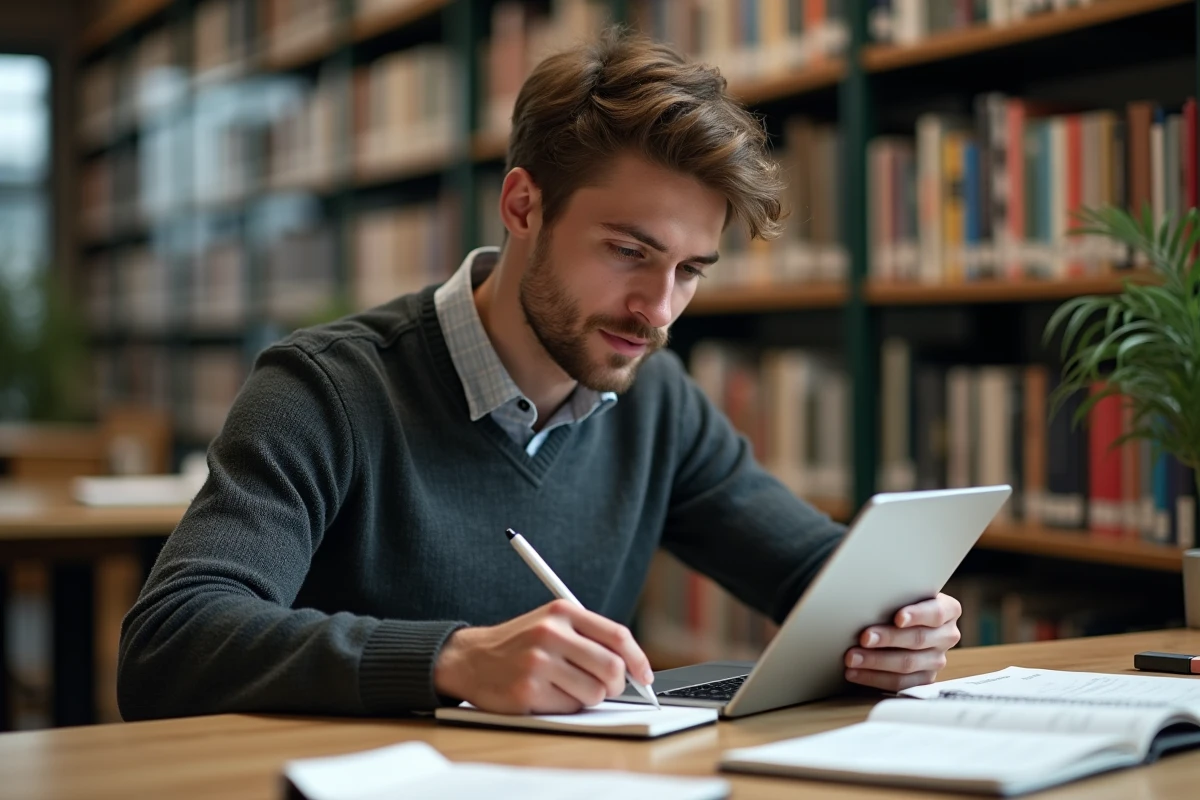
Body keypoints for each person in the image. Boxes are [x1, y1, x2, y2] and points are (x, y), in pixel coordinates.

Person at [117, 28, 962, 720]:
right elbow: (170, 643)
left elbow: (814, 572)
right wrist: (452, 659)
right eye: (629, 252)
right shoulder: (325, 392)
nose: (657, 310)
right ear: (524, 207)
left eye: (690, 270)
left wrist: (898, 624)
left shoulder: (656, 402)